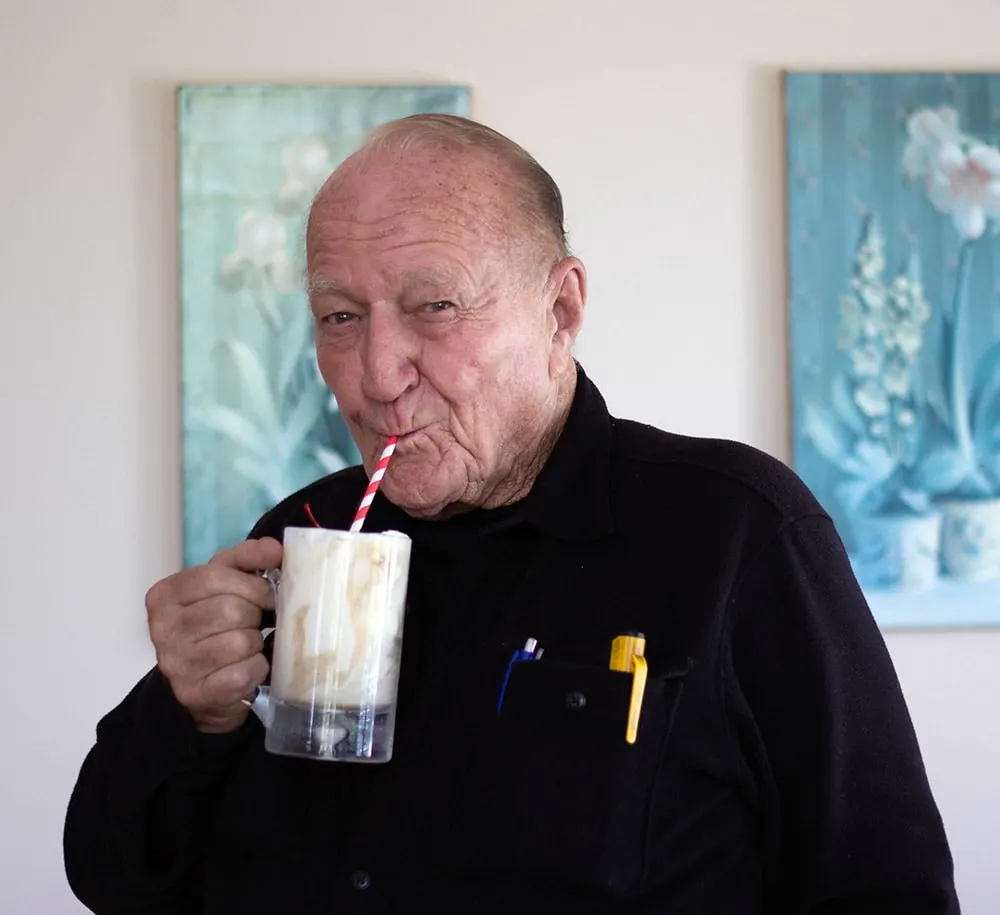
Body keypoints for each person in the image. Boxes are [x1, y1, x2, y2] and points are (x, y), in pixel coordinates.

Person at [64, 113, 961, 915]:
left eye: (435, 306)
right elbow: (114, 875)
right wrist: (192, 714)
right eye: (340, 316)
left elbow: (885, 889)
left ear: (560, 308)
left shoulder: (738, 535)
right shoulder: (308, 529)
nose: (377, 374)